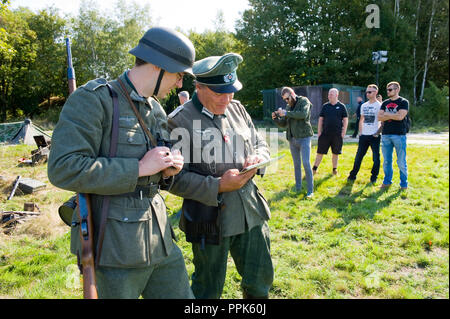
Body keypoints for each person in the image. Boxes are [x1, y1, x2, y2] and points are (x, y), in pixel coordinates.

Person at [48, 27, 196, 299]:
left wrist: (167, 169)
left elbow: (155, 169)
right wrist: (138, 168)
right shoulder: (94, 99)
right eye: (178, 75)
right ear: (156, 65)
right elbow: (63, 168)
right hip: (114, 245)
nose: (179, 84)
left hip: (160, 238)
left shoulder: (156, 108)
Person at [167, 53, 274, 299]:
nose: (226, 99)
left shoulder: (237, 109)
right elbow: (173, 179)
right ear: (199, 87)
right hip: (208, 218)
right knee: (207, 288)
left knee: (260, 284)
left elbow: (260, 142)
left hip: (251, 212)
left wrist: (259, 158)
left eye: (231, 92)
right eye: (218, 93)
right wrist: (217, 185)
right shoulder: (178, 121)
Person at [272, 86, 314, 198]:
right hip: (292, 139)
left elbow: (303, 114)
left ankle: (310, 191)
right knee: (296, 165)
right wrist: (276, 118)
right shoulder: (288, 106)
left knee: (306, 163)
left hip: (304, 137)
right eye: (285, 99)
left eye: (287, 98)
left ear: (292, 94)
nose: (286, 101)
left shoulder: (304, 101)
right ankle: (298, 188)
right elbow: (284, 124)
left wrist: (286, 113)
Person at [348, 84, 383, 184]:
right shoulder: (364, 105)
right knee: (358, 156)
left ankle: (374, 177)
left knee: (376, 158)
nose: (367, 94)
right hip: (364, 136)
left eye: (370, 92)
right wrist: (360, 132)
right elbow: (361, 119)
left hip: (374, 136)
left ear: (375, 92)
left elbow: (383, 122)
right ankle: (352, 175)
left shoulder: (379, 106)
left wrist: (377, 133)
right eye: (366, 92)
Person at [378, 81, 409, 190]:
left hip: (399, 135)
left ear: (397, 90)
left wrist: (386, 114)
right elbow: (379, 117)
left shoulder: (403, 102)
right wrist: (392, 115)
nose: (388, 92)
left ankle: (404, 184)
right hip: (386, 135)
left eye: (390, 90)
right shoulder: (385, 103)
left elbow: (400, 117)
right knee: (386, 161)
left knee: (401, 161)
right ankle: (387, 182)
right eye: (387, 89)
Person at [312, 88, 348, 175]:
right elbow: (321, 119)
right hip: (325, 134)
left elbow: (345, 120)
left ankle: (334, 169)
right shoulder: (325, 106)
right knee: (320, 152)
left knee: (335, 153)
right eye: (329, 94)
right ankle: (314, 169)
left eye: (331, 94)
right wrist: (319, 132)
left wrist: (343, 132)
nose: (329, 96)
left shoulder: (342, 106)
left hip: (337, 134)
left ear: (336, 95)